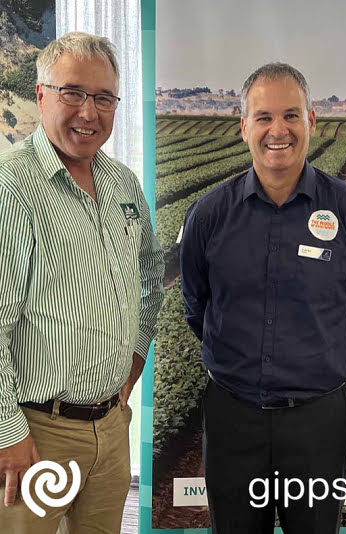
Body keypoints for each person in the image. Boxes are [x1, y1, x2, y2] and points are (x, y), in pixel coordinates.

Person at [180, 62, 346, 534]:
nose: (279, 130)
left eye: (292, 115)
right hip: (234, 415)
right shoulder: (209, 214)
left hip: (318, 421)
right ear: (243, 127)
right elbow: (197, 304)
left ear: (312, 121)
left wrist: (324, 361)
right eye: (264, 117)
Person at [0, 32, 164, 533]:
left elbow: (152, 279)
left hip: (110, 427)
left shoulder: (122, 183)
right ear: (42, 94)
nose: (88, 112)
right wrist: (8, 433)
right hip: (36, 431)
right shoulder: (13, 187)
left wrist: (133, 364)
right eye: (73, 93)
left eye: (103, 98)